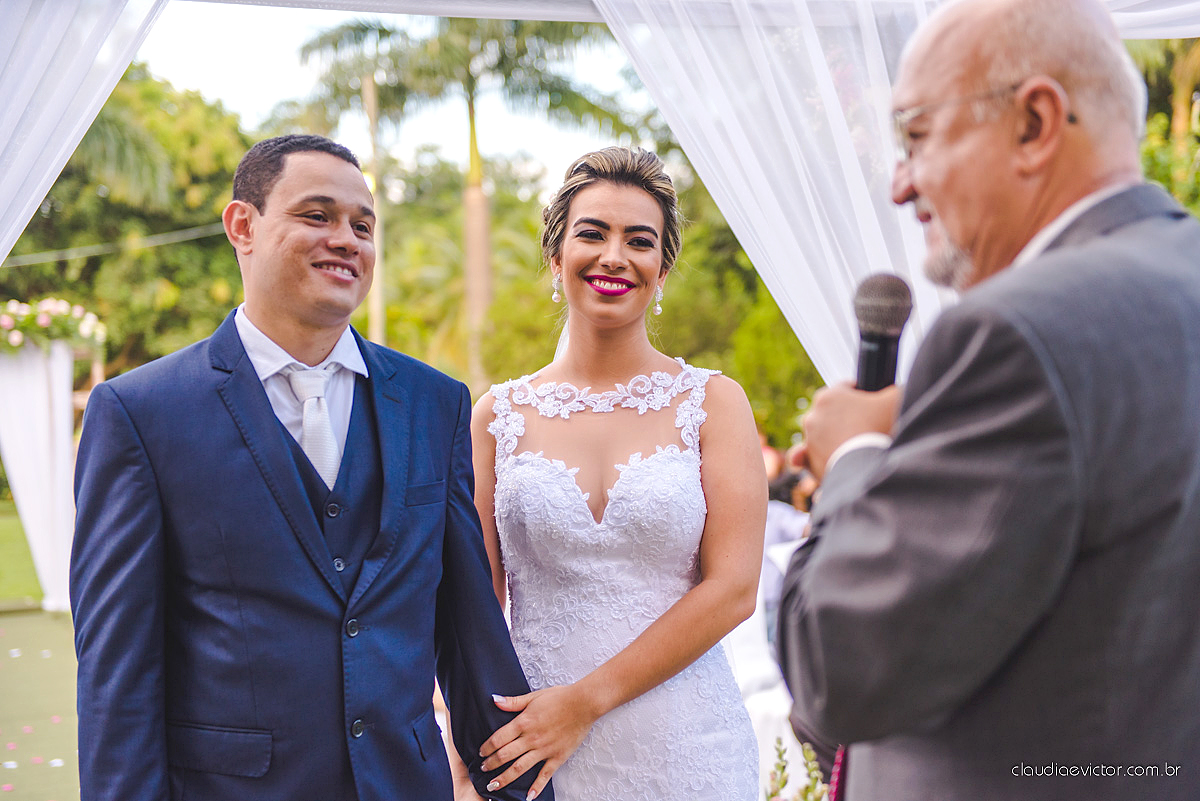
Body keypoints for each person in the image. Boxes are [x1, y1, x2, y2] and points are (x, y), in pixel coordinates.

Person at [777, 1, 1200, 799]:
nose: (899, 184)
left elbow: (840, 669)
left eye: (918, 136)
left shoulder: (1011, 334)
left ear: (1035, 122)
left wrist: (856, 459)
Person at [70, 134, 549, 801]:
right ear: (244, 226)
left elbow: (468, 631)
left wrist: (516, 791)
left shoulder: (433, 402)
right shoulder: (141, 413)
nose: (346, 239)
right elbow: (117, 673)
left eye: (362, 225)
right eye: (317, 216)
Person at [466, 146, 766, 801]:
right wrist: (469, 758)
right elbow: (476, 609)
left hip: (689, 749)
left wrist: (585, 702)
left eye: (639, 240)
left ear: (662, 269)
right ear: (555, 255)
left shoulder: (715, 403)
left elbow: (735, 589)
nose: (613, 256)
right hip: (534, 748)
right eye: (592, 233)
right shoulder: (496, 415)